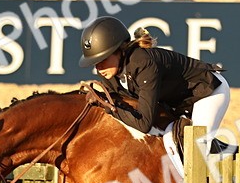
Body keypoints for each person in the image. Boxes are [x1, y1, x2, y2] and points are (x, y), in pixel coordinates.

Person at [78, 16, 230, 143]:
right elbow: (124, 108)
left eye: (103, 59)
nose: (98, 67)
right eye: (95, 62)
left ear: (119, 51)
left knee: (197, 145)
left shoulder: (143, 63)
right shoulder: (109, 74)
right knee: (171, 142)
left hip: (208, 91)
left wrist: (107, 105)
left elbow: (144, 123)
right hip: (179, 103)